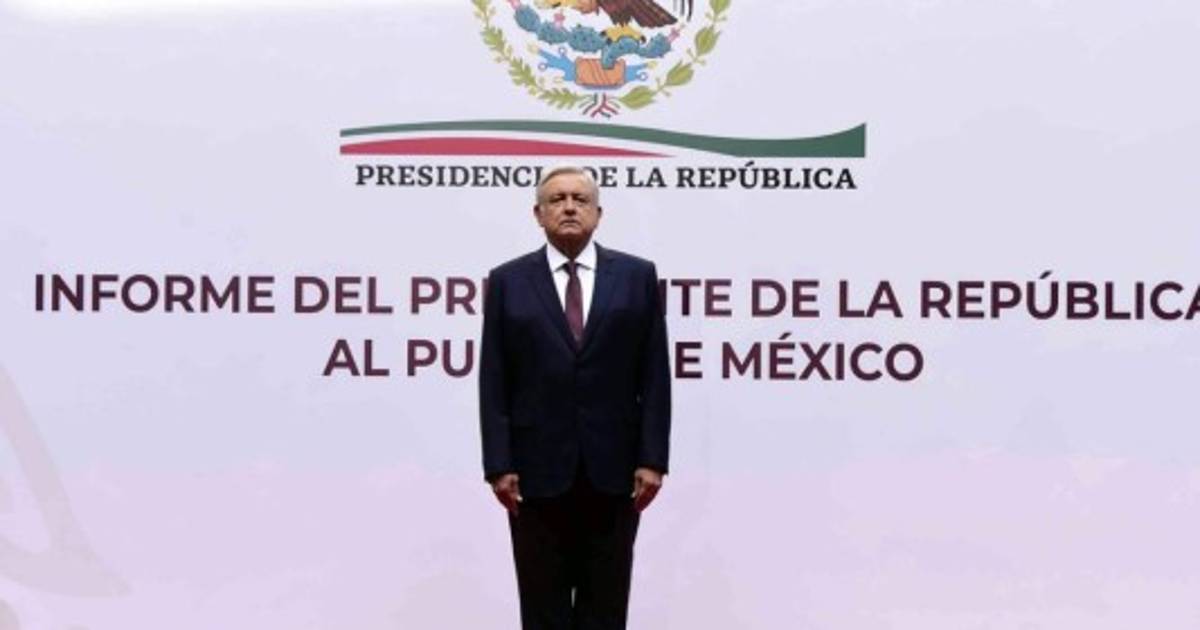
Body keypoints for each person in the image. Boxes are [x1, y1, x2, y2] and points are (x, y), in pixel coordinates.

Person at [479, 165, 671, 630]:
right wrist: (498, 465)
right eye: (557, 199)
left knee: (605, 609)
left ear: (598, 214)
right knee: (542, 610)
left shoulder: (637, 276)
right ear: (538, 214)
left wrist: (652, 460)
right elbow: (494, 378)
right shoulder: (507, 281)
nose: (569, 207)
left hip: (615, 473)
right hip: (533, 475)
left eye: (580, 200)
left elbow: (654, 374)